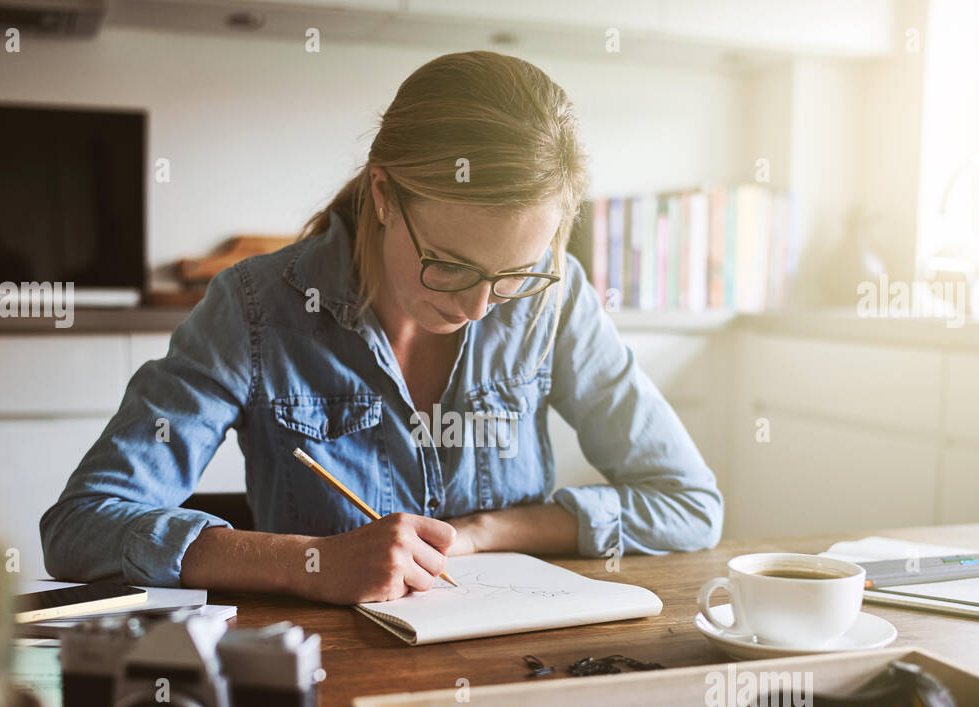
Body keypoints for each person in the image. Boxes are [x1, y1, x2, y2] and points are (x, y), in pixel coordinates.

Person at [41, 50, 722, 605]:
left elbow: (688, 503)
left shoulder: (556, 298)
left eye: (516, 272)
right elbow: (81, 525)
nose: (483, 307)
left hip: (508, 662)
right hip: (329, 674)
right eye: (449, 265)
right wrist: (310, 562)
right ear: (382, 195)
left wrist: (483, 534)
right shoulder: (254, 307)